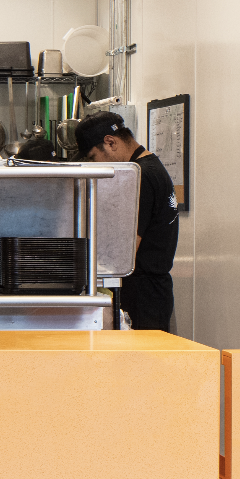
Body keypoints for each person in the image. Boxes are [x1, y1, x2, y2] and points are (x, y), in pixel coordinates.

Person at [76, 111, 178, 332]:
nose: (94, 165)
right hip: (152, 291)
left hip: (143, 295)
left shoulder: (140, 176)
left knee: (141, 364)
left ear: (110, 142)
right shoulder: (152, 168)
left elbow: (127, 248)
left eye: (93, 157)